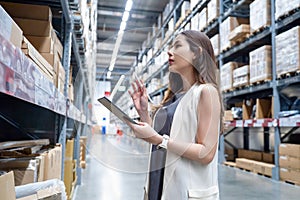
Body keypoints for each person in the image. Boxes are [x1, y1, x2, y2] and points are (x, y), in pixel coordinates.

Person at [127, 30, 224, 200]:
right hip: (159, 184)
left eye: (177, 46)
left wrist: (159, 140)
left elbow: (206, 153)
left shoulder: (206, 92)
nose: (169, 51)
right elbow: (164, 134)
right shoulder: (174, 96)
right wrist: (143, 111)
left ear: (196, 53)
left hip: (186, 191)